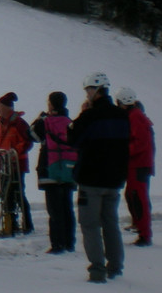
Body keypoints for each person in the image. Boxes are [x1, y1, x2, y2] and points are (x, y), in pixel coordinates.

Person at [69, 71, 130, 284]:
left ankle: (97, 269)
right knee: (110, 223)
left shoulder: (90, 116)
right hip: (114, 179)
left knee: (90, 225)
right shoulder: (122, 115)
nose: (86, 95)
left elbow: (73, 139)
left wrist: (80, 116)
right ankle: (115, 266)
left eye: (88, 90)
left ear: (96, 90)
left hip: (91, 178)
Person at [31, 91, 77, 254]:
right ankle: (69, 242)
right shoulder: (70, 122)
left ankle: (57, 244)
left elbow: (33, 136)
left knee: (54, 210)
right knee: (67, 207)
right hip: (68, 170)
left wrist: (39, 118)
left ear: (51, 104)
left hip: (50, 169)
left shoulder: (46, 121)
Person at [115, 87, 154, 247]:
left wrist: (124, 151)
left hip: (138, 165)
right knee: (133, 196)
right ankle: (141, 229)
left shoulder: (135, 117)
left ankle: (144, 234)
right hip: (138, 164)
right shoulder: (135, 115)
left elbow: (140, 142)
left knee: (138, 198)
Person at [0, 91, 34, 235]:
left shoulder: (19, 124)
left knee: (17, 194)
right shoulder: (2, 124)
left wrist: (13, 153)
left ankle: (26, 223)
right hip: (5, 164)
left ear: (6, 107)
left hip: (17, 164)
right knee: (6, 194)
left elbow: (27, 142)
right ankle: (11, 224)